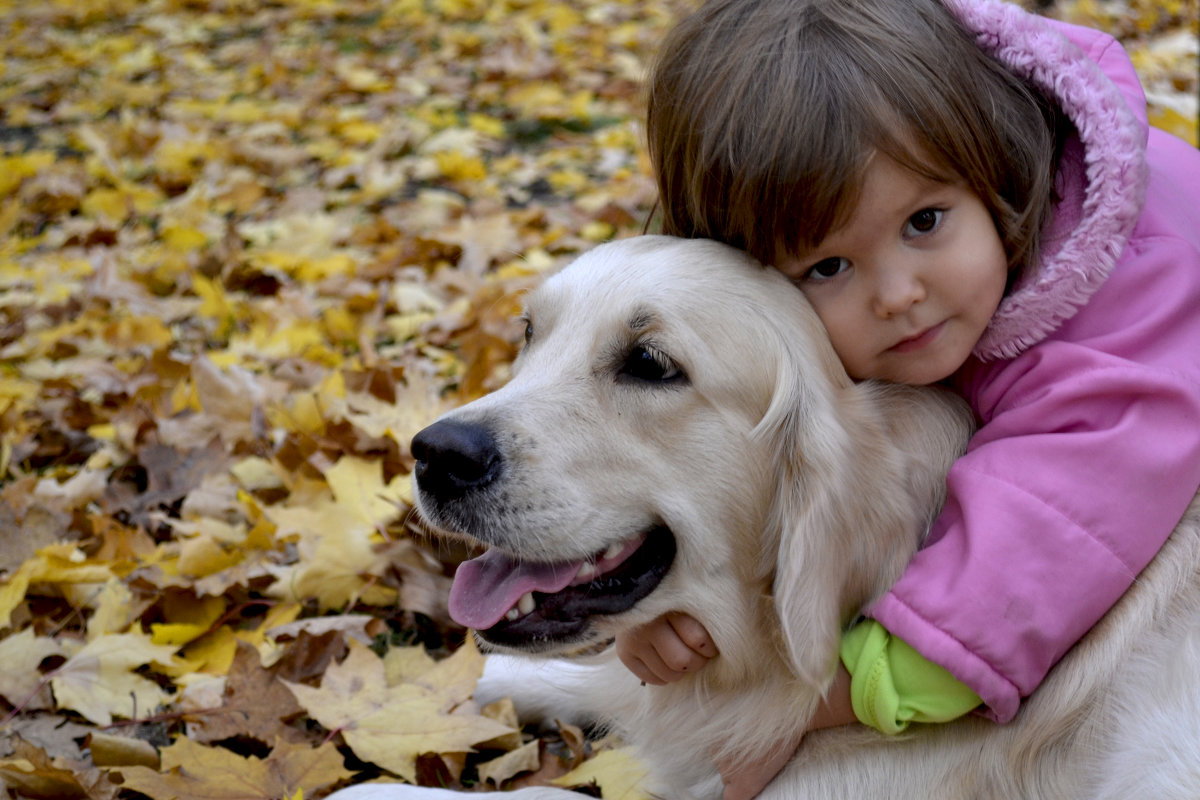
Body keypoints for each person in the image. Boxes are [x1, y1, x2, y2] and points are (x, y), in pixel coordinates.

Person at [618, 0, 1200, 797]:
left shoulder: (1118, 320)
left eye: (924, 220)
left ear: (995, 165)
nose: (897, 295)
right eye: (826, 267)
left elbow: (1029, 565)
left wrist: (807, 708)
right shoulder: (963, 259)